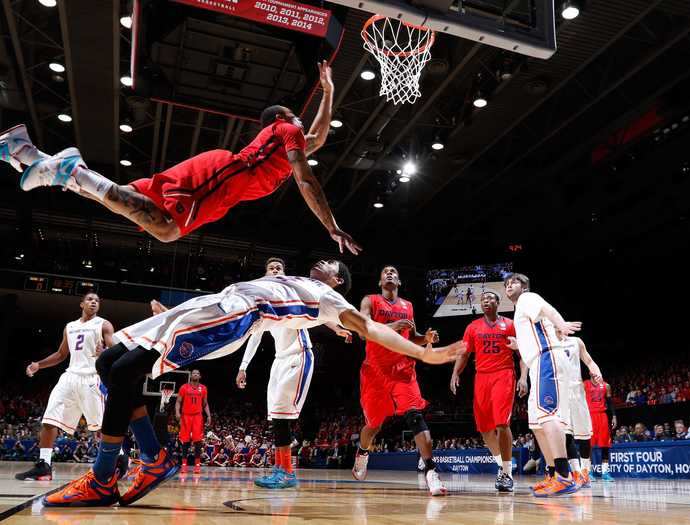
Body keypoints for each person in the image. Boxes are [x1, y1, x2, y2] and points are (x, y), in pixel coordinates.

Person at [43, 260, 464, 507]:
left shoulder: (330, 300)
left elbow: (370, 328)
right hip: (214, 301)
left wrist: (424, 353)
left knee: (122, 371)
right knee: (109, 365)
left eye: (333, 267)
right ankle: (153, 458)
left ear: (338, 282)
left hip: (237, 313)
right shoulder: (290, 278)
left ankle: (102, 479)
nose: (325, 263)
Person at [2, 63, 360, 255]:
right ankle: (70, 168)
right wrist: (330, 225)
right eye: (296, 115)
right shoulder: (285, 130)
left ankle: (25, 151)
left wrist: (328, 92)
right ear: (282, 119)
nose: (302, 120)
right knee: (168, 230)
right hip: (222, 177)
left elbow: (320, 136)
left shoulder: (284, 143)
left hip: (218, 179)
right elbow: (306, 180)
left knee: (118, 200)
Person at [235, 257, 351, 489]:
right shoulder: (265, 302)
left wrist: (337, 327)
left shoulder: (291, 292)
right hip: (280, 360)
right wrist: (243, 367)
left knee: (282, 418)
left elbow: (318, 308)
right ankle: (280, 469)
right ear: (265, 273)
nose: (276, 270)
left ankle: (288, 473)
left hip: (298, 355)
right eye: (272, 268)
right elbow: (254, 336)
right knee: (276, 419)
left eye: (280, 267)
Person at [351, 266, 447, 496]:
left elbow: (411, 338)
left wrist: (426, 338)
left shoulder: (408, 306)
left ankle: (431, 471)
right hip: (375, 371)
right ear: (379, 281)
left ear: (400, 281)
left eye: (394, 271)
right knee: (374, 425)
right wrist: (392, 327)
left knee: (415, 415)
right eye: (385, 272)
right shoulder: (370, 300)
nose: (390, 273)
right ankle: (363, 452)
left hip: (403, 369)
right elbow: (362, 330)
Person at [15, 292, 123, 481]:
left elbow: (115, 352)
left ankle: (120, 458)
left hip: (92, 377)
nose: (94, 302)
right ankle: (44, 465)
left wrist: (105, 351)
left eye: (97, 300)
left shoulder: (104, 324)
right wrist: (38, 365)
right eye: (90, 299)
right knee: (49, 420)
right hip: (69, 376)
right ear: (82, 304)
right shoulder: (70, 327)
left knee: (102, 426)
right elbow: (60, 354)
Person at [504, 273, 581, 497]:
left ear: (524, 286)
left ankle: (565, 477)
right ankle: (551, 474)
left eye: (514, 282)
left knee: (548, 417)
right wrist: (519, 345)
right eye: (506, 284)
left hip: (547, 359)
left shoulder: (528, 298)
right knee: (537, 423)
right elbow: (536, 333)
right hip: (538, 363)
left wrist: (562, 324)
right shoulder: (521, 309)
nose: (509, 286)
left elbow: (548, 310)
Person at [450, 291, 524, 492]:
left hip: (504, 374)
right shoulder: (472, 327)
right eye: (483, 299)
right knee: (484, 429)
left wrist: (524, 378)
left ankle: (507, 473)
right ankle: (503, 465)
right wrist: (455, 373)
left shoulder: (510, 324)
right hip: (481, 377)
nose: (486, 301)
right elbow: (464, 353)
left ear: (498, 303)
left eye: (490, 298)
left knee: (501, 423)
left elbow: (521, 354)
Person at [558, 331, 603, 488]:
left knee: (584, 434)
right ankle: (576, 472)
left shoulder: (576, 341)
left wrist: (597, 373)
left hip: (576, 391)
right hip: (559, 392)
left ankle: (585, 471)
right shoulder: (547, 344)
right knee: (565, 435)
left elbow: (589, 361)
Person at [176, 370, 211, 474]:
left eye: (197, 373)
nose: (195, 374)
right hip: (185, 416)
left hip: (197, 416)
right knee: (185, 441)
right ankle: (184, 465)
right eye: (193, 373)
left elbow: (205, 404)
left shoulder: (203, 388)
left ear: (200, 376)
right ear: (191, 376)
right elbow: (178, 401)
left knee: (198, 441)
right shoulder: (184, 387)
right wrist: (177, 413)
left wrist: (208, 415)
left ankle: (197, 465)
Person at [584, 379, 616, 481]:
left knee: (605, 445)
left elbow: (610, 403)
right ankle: (588, 472)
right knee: (588, 445)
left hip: (602, 415)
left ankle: (605, 472)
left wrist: (614, 416)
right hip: (589, 416)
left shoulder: (606, 386)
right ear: (589, 373)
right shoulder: (584, 384)